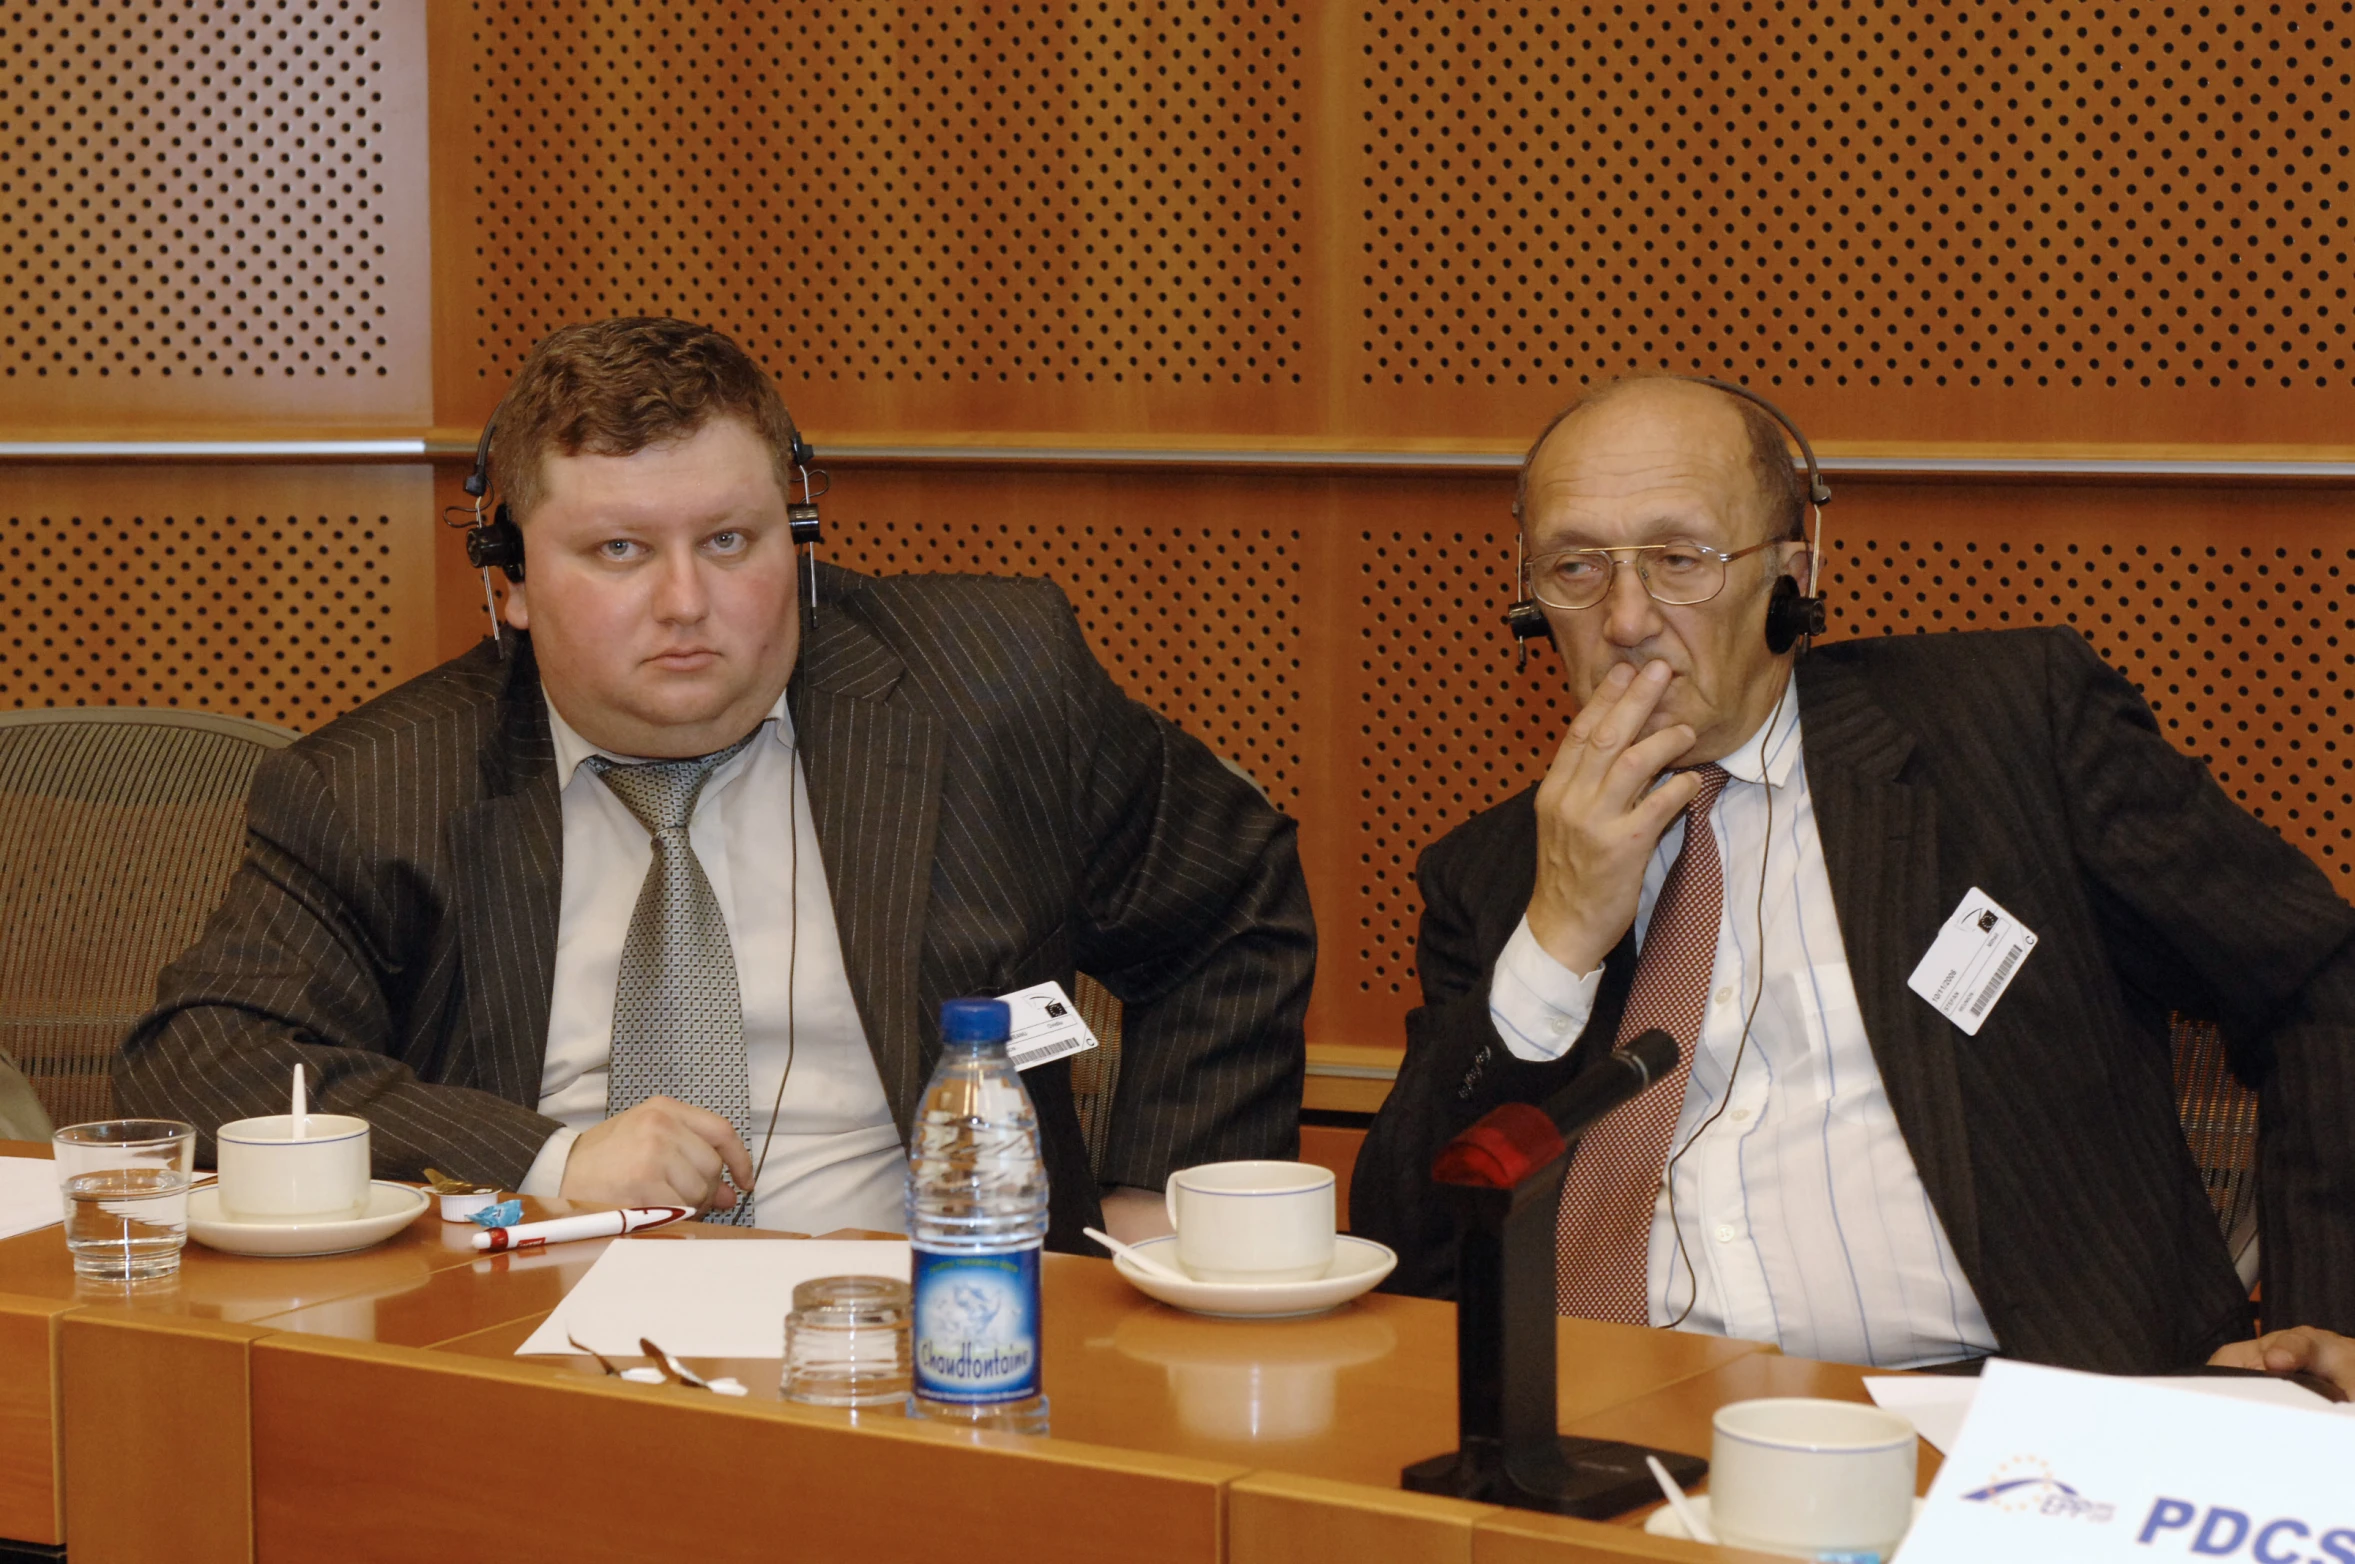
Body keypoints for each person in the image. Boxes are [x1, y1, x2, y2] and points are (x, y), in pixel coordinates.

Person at [119, 317, 1315, 1251]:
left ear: (796, 535)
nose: (685, 602)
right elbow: (207, 1056)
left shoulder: (987, 689)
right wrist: (544, 1159)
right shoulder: (382, 784)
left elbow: (1234, 903)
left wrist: (1161, 1194)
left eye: (730, 541)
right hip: (529, 1327)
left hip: (923, 1321)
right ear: (511, 581)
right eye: (620, 551)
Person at [1350, 374, 2355, 1376]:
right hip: (1621, 1416)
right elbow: (1412, 1245)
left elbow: (2318, 976)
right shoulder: (1494, 874)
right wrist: (1560, 938)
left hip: (2012, 1418)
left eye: (1678, 559)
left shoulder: (2009, 735)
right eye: (1575, 566)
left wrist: (2329, 1321)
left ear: (1789, 578)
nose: (1625, 618)